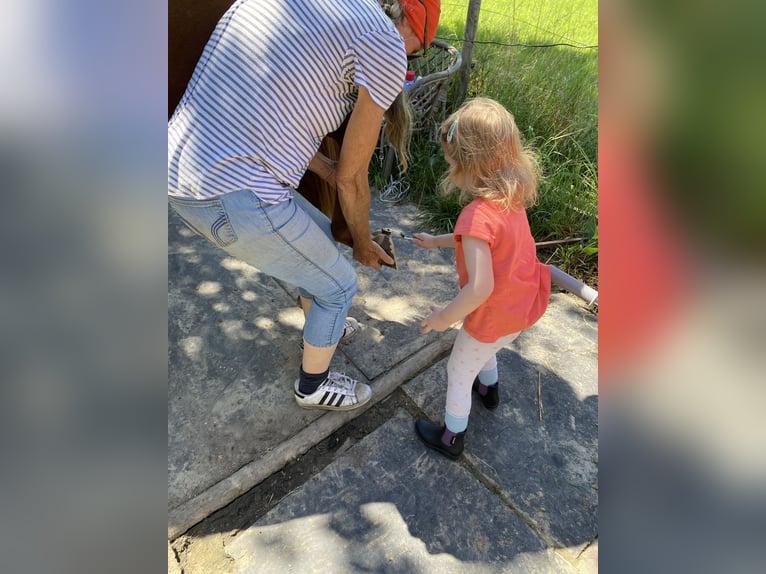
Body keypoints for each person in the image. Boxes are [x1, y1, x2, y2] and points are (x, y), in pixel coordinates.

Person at [168, 0, 441, 411]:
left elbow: (267, 107)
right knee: (341, 285)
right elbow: (353, 181)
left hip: (181, 174)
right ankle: (313, 386)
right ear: (407, 25)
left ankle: (320, 326)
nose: (407, 58)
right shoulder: (384, 43)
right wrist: (364, 243)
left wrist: (326, 169)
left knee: (320, 246)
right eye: (415, 50)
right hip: (233, 194)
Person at [412, 97, 551, 458]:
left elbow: (480, 287)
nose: (449, 166)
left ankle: (451, 437)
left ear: (469, 163)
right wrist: (435, 242)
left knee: (458, 368)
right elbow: (482, 242)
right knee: (486, 347)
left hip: (492, 311)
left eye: (452, 161)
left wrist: (444, 318)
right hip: (519, 308)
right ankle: (490, 390)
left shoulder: (476, 215)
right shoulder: (511, 198)